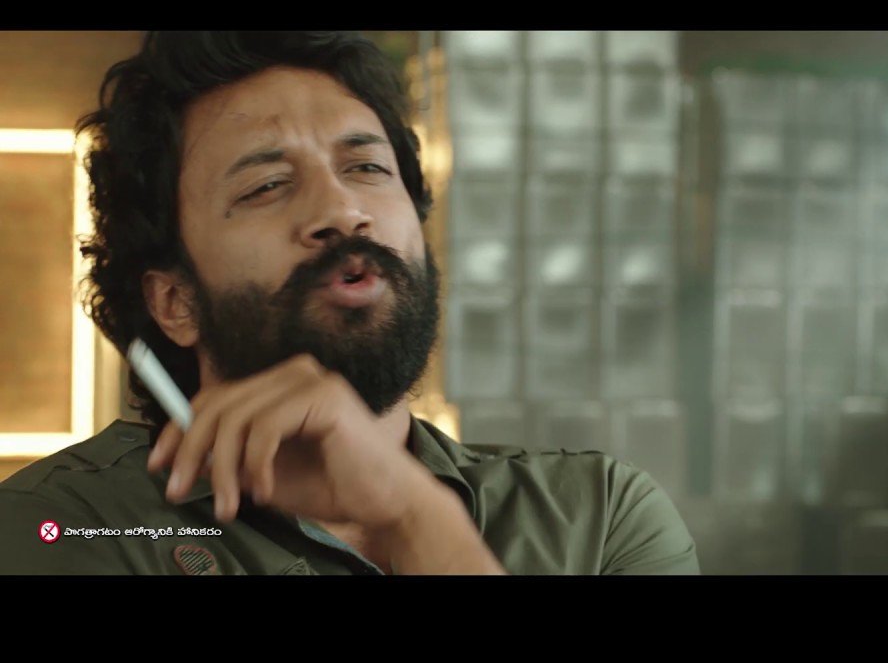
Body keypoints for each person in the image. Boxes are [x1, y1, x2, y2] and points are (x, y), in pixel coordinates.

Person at [0, 31, 698, 575]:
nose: (342, 209)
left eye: (366, 167)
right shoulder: (63, 527)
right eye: (267, 186)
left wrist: (413, 515)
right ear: (175, 301)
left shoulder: (598, 518)